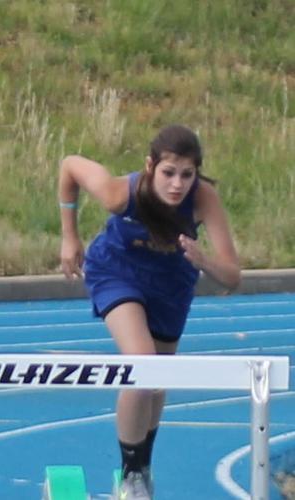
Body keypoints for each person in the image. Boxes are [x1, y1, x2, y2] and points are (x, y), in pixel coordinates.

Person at [57, 125, 240, 500]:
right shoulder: (120, 193)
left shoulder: (204, 199)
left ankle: (142, 468)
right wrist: (69, 235)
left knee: (156, 381)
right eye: (168, 173)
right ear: (150, 166)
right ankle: (130, 476)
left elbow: (232, 277)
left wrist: (204, 259)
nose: (177, 185)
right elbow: (70, 166)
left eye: (187, 175)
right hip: (116, 270)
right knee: (141, 364)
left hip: (172, 282)